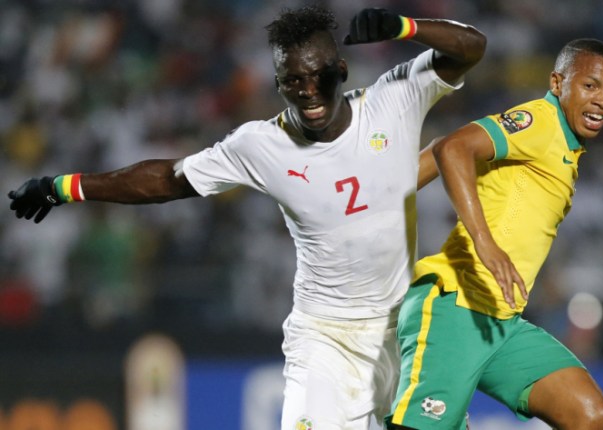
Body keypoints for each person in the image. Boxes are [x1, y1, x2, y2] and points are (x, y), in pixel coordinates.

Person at [8, 5, 486, 429]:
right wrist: (63, 187)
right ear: (278, 84)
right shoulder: (259, 145)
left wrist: (406, 27)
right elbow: (168, 180)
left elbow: (471, 48)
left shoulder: (393, 100)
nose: (308, 91)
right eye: (293, 81)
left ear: (340, 69)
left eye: (318, 75)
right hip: (326, 340)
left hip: (406, 331)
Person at [387, 38, 603, 430]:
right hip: (455, 305)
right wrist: (485, 242)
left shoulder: (567, 147)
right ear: (557, 82)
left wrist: (390, 191)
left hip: (502, 322)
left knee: (590, 415)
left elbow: (441, 147)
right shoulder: (540, 122)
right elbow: (453, 149)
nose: (602, 100)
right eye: (590, 85)